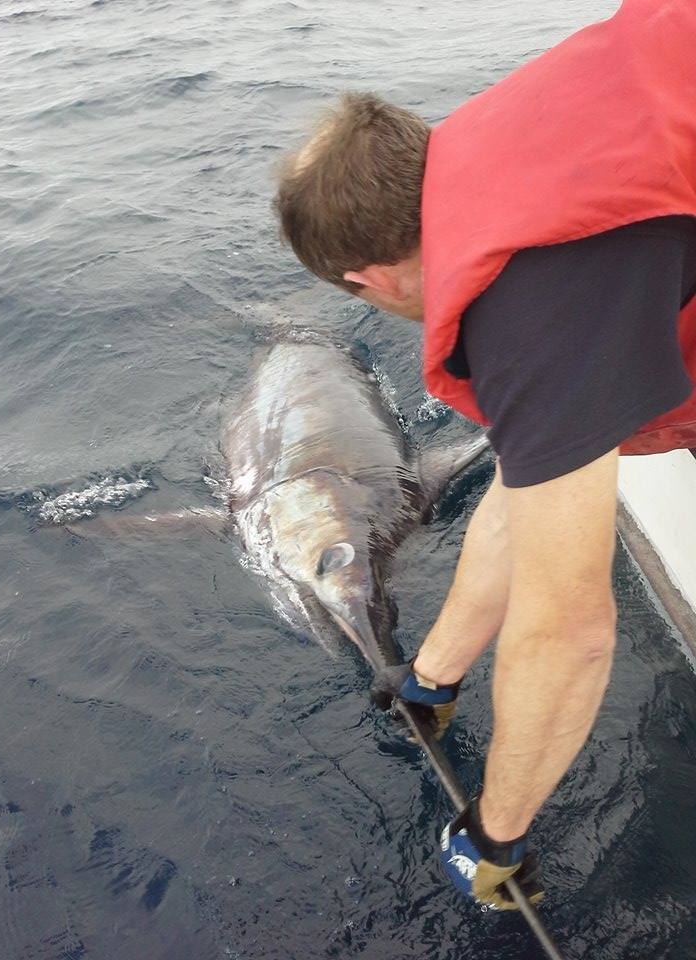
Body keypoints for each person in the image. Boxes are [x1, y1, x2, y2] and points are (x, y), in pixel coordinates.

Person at [273, 0, 696, 910]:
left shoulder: (530, 309)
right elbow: (525, 488)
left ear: (367, 280)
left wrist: (493, 831)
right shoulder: (507, 144)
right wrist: (433, 675)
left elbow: (572, 632)